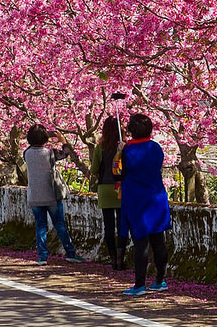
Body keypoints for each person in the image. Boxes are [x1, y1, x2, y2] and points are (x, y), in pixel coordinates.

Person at [119, 113, 171, 295]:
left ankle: (139, 284)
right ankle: (160, 280)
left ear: (132, 131)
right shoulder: (156, 148)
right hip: (156, 198)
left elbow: (119, 172)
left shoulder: (127, 151)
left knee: (140, 242)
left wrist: (120, 150)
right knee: (159, 240)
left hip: (136, 199)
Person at [23, 124, 86, 266]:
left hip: (35, 196)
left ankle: (42, 257)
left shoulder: (26, 153)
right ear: (45, 138)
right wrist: (61, 139)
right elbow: (66, 153)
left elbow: (31, 147)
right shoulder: (50, 153)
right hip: (51, 195)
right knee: (59, 225)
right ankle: (70, 253)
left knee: (40, 226)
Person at [90, 116, 128, 270]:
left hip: (105, 188)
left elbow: (93, 170)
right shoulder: (125, 147)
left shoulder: (101, 147)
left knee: (109, 226)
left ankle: (113, 258)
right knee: (122, 225)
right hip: (121, 188)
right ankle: (120, 258)